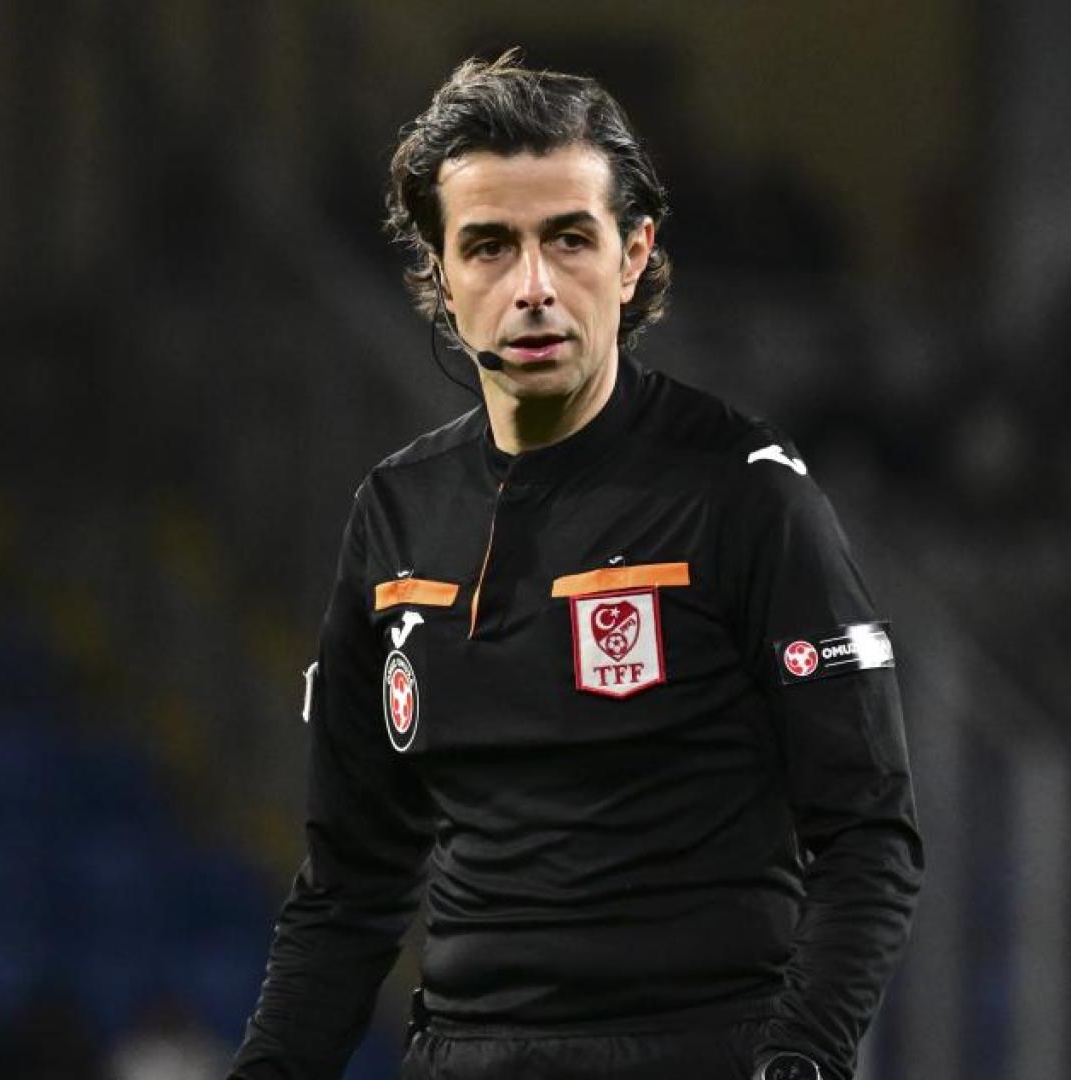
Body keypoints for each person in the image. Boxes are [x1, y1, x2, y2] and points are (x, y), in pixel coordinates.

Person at [229, 51, 922, 1080]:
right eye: (489, 247)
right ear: (439, 275)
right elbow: (351, 887)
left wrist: (803, 1057)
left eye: (568, 239)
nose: (534, 288)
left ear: (634, 255)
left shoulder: (744, 495)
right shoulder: (396, 514)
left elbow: (868, 839)